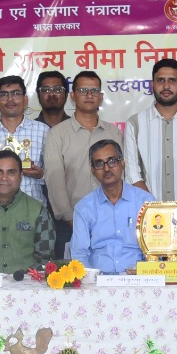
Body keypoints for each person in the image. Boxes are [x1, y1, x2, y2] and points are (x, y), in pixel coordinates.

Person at [43, 70, 140, 259]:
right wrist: (74, 220)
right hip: (69, 223)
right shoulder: (57, 134)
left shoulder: (113, 132)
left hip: (112, 222)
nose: (89, 95)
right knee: (75, 274)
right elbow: (55, 181)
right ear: (73, 96)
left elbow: (121, 175)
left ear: (101, 97)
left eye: (94, 91)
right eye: (83, 90)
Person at [125, 58, 177, 243]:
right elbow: (133, 175)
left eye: (172, 80)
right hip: (149, 226)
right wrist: (159, 215)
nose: (166, 86)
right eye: (160, 80)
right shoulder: (135, 123)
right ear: (152, 85)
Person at [73, 139, 155, 273]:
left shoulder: (146, 202)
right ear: (93, 170)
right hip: (98, 280)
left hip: (138, 278)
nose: (106, 168)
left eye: (112, 161)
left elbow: (156, 249)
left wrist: (145, 271)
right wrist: (91, 280)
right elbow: (79, 254)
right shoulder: (84, 208)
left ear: (123, 163)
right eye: (99, 163)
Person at [0, 75, 49, 201]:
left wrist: (41, 175)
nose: (10, 99)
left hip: (32, 206)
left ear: (25, 100)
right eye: (4, 94)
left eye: (16, 94)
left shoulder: (43, 131)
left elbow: (54, 174)